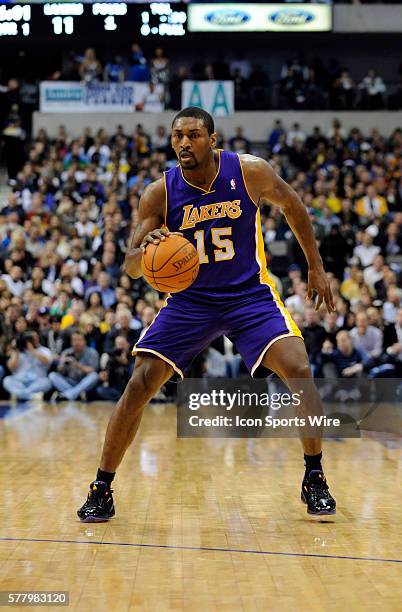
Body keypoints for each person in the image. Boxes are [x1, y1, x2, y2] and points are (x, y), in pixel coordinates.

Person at [77, 106, 336, 522]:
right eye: (177, 135)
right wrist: (145, 252)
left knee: (298, 367)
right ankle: (102, 487)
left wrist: (315, 265)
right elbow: (127, 265)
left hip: (249, 294)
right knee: (140, 383)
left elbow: (293, 206)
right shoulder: (158, 193)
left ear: (212, 140)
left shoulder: (250, 171)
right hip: (191, 302)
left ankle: (315, 475)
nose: (183, 142)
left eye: (193, 135)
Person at [49, 331, 99, 402]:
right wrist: (62, 363)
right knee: (52, 376)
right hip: (70, 382)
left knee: (94, 376)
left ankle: (69, 394)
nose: (76, 343)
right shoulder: (66, 352)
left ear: (85, 341)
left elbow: (92, 370)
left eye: (79, 340)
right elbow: (59, 371)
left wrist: (78, 365)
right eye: (74, 340)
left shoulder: (92, 352)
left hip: (84, 382)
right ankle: (75, 394)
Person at [3, 330, 52, 401]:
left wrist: (32, 350)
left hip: (36, 382)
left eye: (35, 337)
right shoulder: (18, 351)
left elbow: (46, 361)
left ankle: (20, 395)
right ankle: (31, 396)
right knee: (7, 380)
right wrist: (16, 351)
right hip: (19, 381)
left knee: (47, 382)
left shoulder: (44, 350)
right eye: (31, 338)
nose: (34, 339)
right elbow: (11, 368)